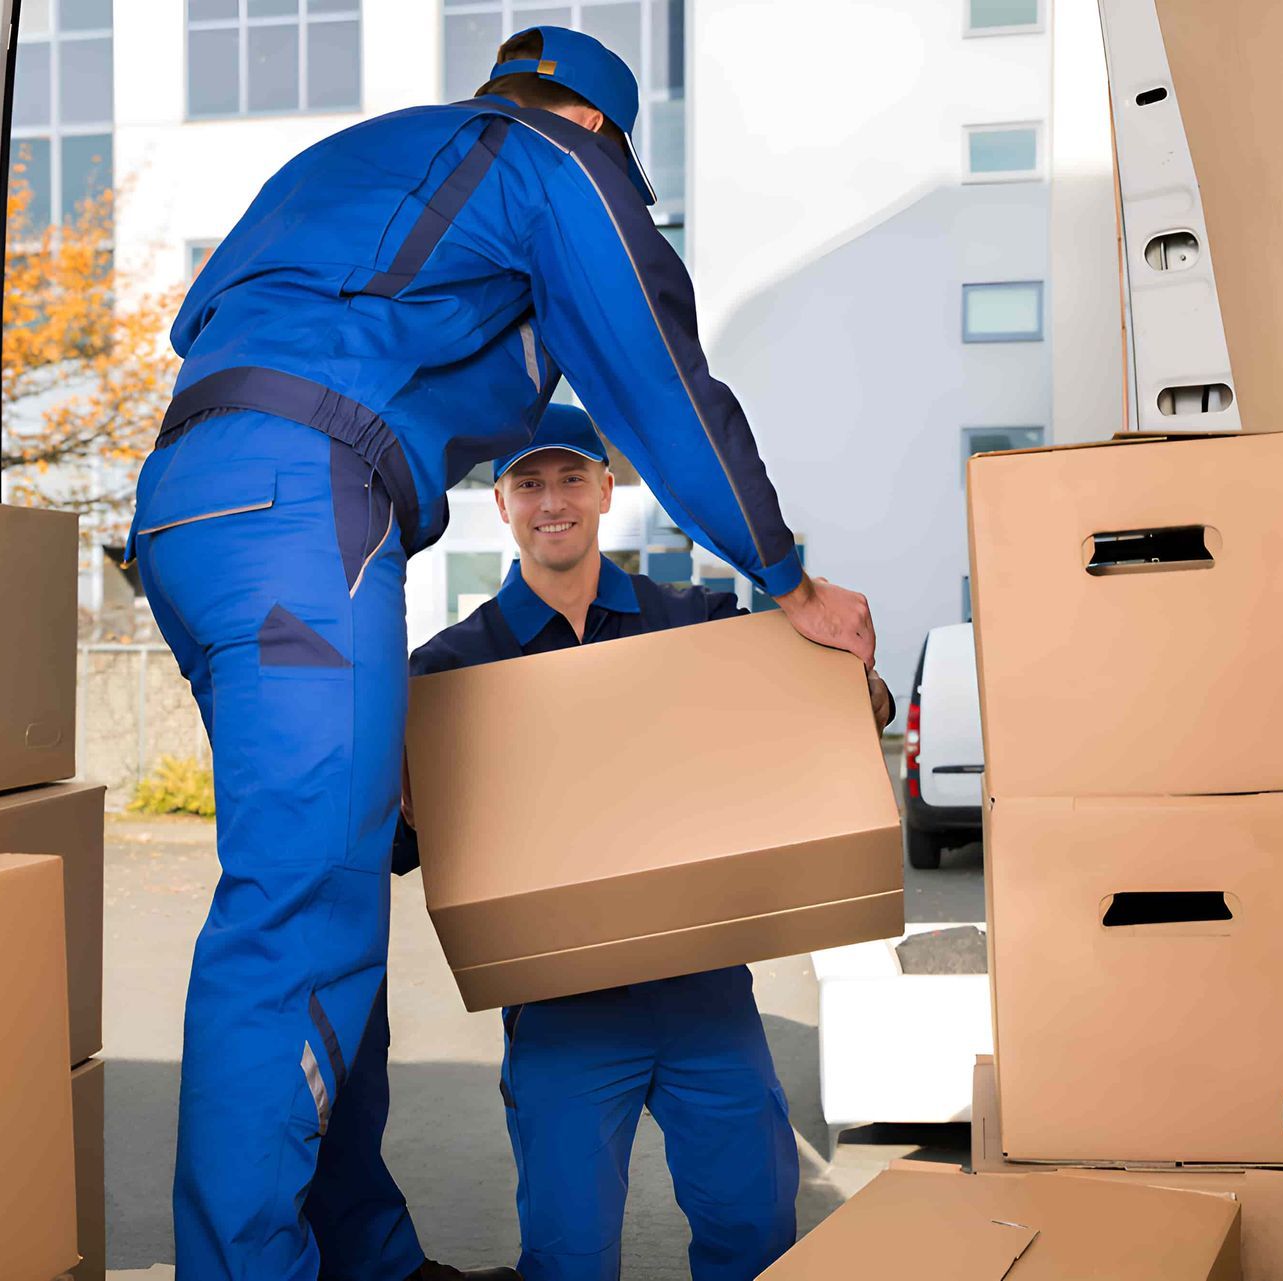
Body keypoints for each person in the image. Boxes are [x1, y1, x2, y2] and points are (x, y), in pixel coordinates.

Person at [123, 23, 878, 1281]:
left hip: (191, 512)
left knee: (324, 882)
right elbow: (658, 373)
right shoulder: (549, 160)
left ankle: (364, 1255)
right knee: (297, 914)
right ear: (602, 131)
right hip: (308, 506)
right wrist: (782, 572)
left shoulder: (363, 161)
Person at [393, 407, 894, 1281]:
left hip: (706, 995)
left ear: (606, 490)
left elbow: (813, 717)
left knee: (755, 1233)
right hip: (564, 1011)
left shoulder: (693, 621)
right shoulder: (450, 673)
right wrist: (397, 792)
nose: (554, 501)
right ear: (501, 503)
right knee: (569, 1257)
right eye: (530, 483)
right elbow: (404, 843)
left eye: (571, 478)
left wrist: (863, 692)